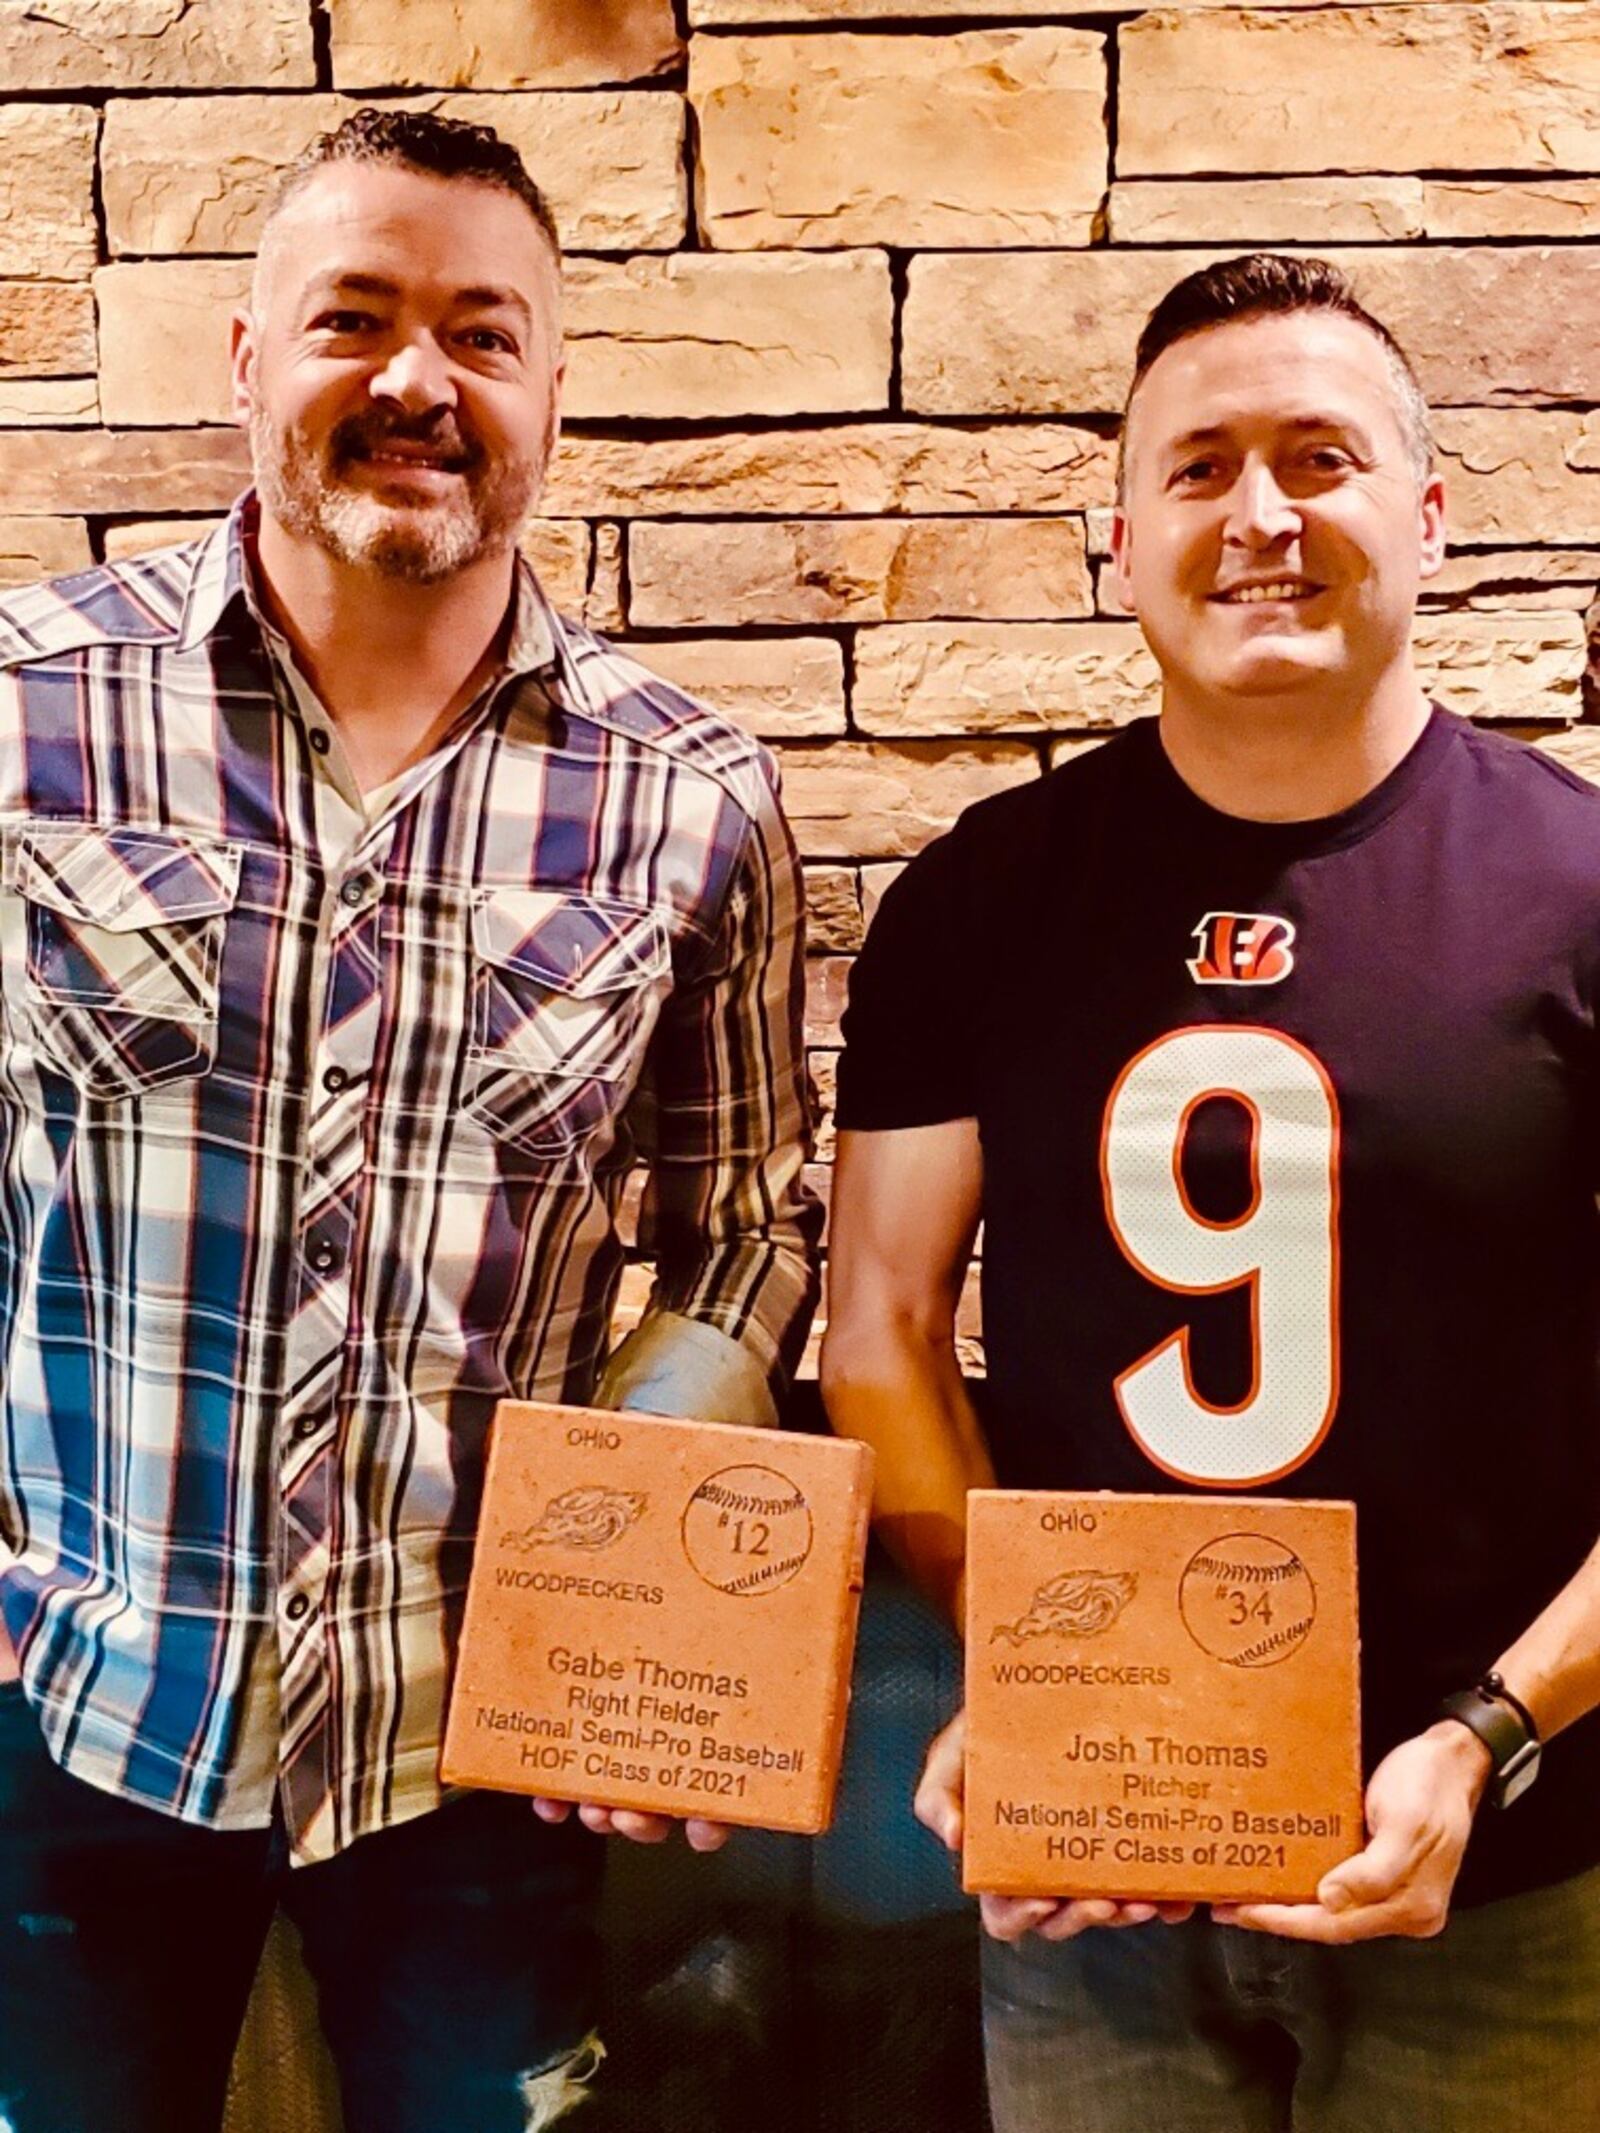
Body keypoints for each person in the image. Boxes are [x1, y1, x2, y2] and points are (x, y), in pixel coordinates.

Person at [0, 108, 819, 2133]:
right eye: (352, 320)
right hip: (66, 1719)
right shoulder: (26, 716)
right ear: (245, 360)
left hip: (478, 1760)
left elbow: (744, 1228)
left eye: (482, 332)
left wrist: (643, 1585)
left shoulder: (690, 800)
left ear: (549, 386)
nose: (416, 382)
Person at [821, 253, 1600, 2130]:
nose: (1263, 512)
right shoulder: (980, 899)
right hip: (1097, 1872)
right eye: (1202, 465)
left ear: (1425, 516)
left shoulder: (1581, 891)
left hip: (1511, 1859)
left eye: (1321, 459)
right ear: (1116, 535)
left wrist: (1493, 1733)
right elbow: (882, 1332)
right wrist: (1024, 1676)